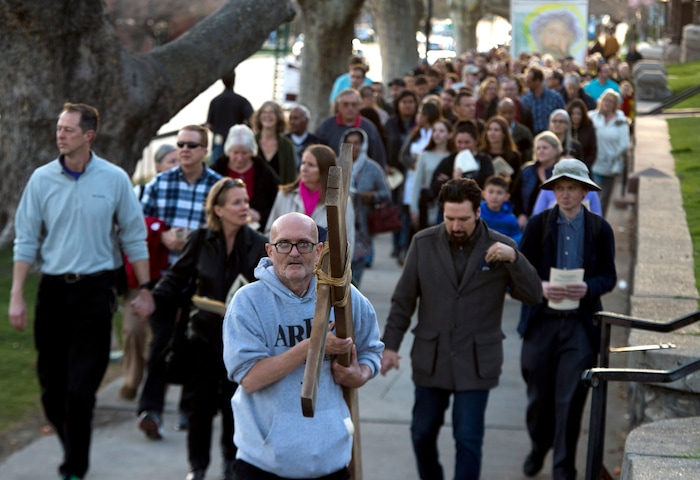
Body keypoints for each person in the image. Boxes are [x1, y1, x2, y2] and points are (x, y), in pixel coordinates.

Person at [9, 102, 155, 480]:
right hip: (54, 292)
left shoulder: (115, 179)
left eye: (68, 129)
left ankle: (74, 469)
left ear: (88, 136)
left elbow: (134, 237)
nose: (60, 134)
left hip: (96, 290)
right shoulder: (41, 179)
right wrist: (16, 294)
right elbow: (26, 241)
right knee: (51, 390)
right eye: (59, 128)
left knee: (81, 389)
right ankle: (71, 442)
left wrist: (144, 289)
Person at [381, 177, 541, 480]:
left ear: (478, 212)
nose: (456, 225)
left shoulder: (502, 246)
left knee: (468, 440)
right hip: (432, 356)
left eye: (463, 219)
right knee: (421, 434)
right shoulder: (422, 243)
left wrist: (515, 259)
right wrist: (389, 346)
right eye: (449, 218)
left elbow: (533, 295)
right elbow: (403, 300)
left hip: (476, 361)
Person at [222, 212, 384, 479]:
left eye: (304, 244)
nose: (294, 252)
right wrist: (314, 346)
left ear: (319, 250)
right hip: (264, 462)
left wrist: (360, 373)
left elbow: (371, 350)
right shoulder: (248, 302)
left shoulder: (344, 297)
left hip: (330, 461)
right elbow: (249, 378)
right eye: (284, 244)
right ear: (270, 250)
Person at [152, 178, 268, 480]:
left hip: (241, 342)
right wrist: (151, 300)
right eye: (237, 202)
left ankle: (232, 465)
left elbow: (267, 290)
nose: (245, 208)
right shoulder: (201, 239)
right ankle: (198, 466)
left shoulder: (257, 243)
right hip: (201, 338)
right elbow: (176, 278)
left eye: (246, 201)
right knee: (199, 407)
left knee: (236, 407)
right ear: (218, 209)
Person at [518, 159, 616, 479]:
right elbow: (520, 273)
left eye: (571, 188)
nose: (565, 194)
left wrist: (588, 287)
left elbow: (608, 277)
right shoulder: (539, 225)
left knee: (571, 401)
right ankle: (538, 445)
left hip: (579, 325)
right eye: (559, 188)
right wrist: (540, 286)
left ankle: (564, 469)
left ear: (585, 191)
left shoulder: (600, 229)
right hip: (542, 322)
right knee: (539, 401)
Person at [138, 124, 223, 438]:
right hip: (167, 276)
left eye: (191, 145)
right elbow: (139, 223)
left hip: (202, 280)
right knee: (160, 343)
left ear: (204, 151)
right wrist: (161, 235)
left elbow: (225, 233)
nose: (184, 149)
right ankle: (151, 410)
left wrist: (196, 242)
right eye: (181, 144)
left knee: (196, 345)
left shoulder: (218, 187)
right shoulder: (160, 182)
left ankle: (190, 409)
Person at [118, 143, 180, 400]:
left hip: (172, 276)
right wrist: (159, 232)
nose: (175, 165)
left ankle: (156, 389)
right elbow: (130, 227)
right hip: (143, 272)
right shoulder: (143, 191)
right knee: (134, 329)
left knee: (164, 337)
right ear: (157, 166)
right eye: (170, 161)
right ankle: (132, 377)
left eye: (178, 161)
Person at [265, 144, 355, 253]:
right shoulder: (285, 195)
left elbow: (347, 243)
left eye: (311, 165)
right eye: (303, 163)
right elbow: (270, 232)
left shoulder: (341, 203)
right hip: (287, 264)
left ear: (324, 170)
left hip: (323, 267)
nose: (304, 169)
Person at [343, 128, 391, 286]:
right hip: (341, 223)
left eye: (357, 143)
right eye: (349, 143)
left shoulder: (372, 168)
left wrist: (371, 196)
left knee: (356, 268)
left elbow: (386, 193)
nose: (353, 146)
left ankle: (353, 299)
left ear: (363, 145)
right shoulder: (337, 165)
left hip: (363, 225)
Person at [211, 124, 280, 232]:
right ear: (228, 151)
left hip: (257, 231)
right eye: (235, 153)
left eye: (244, 153)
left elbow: (278, 204)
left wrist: (260, 215)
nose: (239, 158)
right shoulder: (216, 170)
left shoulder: (265, 172)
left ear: (252, 152)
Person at [316, 88, 387, 169]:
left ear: (360, 106)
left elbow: (378, 158)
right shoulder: (326, 126)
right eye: (345, 104)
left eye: (354, 104)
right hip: (333, 175)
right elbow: (318, 154)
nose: (350, 108)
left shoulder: (369, 127)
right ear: (338, 106)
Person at [589, 89, 630, 216]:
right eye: (605, 100)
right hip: (594, 162)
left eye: (611, 101)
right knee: (593, 196)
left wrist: (614, 157)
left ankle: (599, 224)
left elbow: (624, 144)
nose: (607, 103)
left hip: (611, 165)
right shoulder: (592, 117)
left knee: (603, 197)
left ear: (615, 104)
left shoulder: (621, 121)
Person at [410, 118, 455, 230]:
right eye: (434, 131)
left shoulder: (453, 157)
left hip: (448, 207)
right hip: (428, 205)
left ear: (449, 134)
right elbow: (417, 183)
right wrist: (414, 208)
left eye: (441, 131)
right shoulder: (425, 155)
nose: (437, 134)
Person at [512, 131, 561, 229]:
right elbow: (515, 196)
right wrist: (520, 214)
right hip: (527, 222)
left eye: (545, 148)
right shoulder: (527, 171)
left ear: (555, 150)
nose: (540, 151)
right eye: (538, 148)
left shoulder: (561, 172)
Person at [206, 70, 254, 163]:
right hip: (237, 139)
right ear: (234, 80)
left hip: (218, 139)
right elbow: (252, 120)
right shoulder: (241, 101)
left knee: (217, 167)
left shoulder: (215, 101)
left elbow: (209, 124)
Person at [251, 100, 296, 185]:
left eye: (272, 112)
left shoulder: (287, 145)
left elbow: (291, 176)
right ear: (259, 116)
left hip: (280, 195)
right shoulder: (251, 141)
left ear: (278, 117)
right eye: (264, 112)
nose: (268, 116)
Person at [520, 66, 566, 134]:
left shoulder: (555, 98)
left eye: (529, 82)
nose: (527, 85)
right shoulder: (525, 100)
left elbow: (563, 116)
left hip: (551, 136)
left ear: (537, 81)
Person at [479, 174, 523, 245]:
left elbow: (517, 239)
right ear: (484, 194)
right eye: (491, 192)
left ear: (506, 197)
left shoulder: (511, 219)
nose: (494, 196)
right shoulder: (476, 213)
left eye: (499, 193)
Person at [479, 115, 522, 183]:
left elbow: (518, 181)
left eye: (496, 130)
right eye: (489, 129)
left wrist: (508, 181)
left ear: (504, 134)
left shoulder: (514, 156)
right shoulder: (480, 154)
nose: (492, 133)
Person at [497, 98, 533, 172]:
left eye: (510, 112)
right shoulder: (491, 130)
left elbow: (529, 155)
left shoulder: (524, 132)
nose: (507, 116)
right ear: (498, 112)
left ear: (515, 112)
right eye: (503, 112)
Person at [567, 98, 598, 170]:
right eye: (573, 114)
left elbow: (593, 151)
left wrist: (584, 167)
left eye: (579, 114)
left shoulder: (589, 129)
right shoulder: (565, 129)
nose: (576, 116)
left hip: (584, 168)